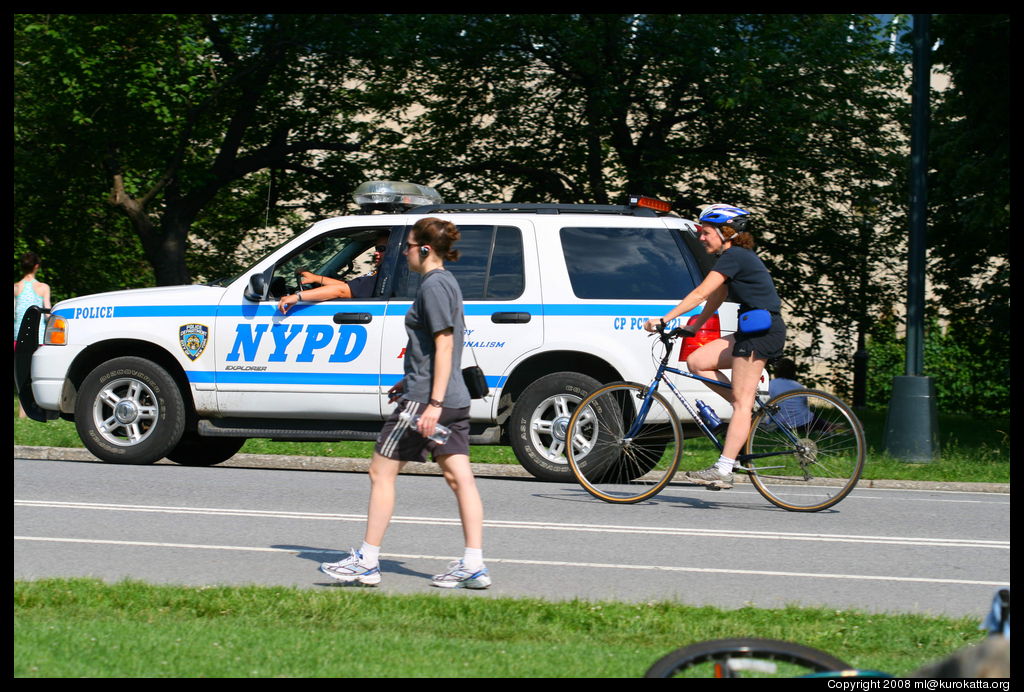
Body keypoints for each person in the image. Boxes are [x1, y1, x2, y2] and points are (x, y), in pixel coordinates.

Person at [318, 218, 490, 589]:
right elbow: (433, 348)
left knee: (381, 473)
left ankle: (367, 560)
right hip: (446, 396)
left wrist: (431, 403)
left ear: (425, 250)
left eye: (409, 246)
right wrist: (408, 379)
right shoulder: (446, 284)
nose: (404, 251)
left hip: (427, 401)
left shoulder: (434, 285)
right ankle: (474, 564)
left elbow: (445, 345)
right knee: (459, 478)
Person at [644, 204, 785, 490]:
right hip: (752, 329)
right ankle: (743, 409)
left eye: (706, 233)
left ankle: (724, 468)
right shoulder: (731, 258)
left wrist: (664, 319)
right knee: (697, 362)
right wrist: (694, 327)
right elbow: (716, 297)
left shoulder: (735, 256)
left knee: (742, 403)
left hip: (762, 332)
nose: (701, 238)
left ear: (726, 233)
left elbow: (699, 293)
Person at [277, 233, 388, 312]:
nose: (376, 253)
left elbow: (342, 291)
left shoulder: (384, 274)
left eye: (382, 249)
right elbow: (349, 287)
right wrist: (316, 278)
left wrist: (297, 297)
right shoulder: (386, 273)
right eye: (376, 249)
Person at [15, 252, 52, 419]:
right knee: (35, 372)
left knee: (20, 373)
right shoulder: (43, 288)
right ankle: (36, 409)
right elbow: (47, 315)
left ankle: (21, 413)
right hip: (37, 337)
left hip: (18, 336)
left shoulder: (16, 287)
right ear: (36, 266)